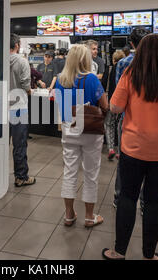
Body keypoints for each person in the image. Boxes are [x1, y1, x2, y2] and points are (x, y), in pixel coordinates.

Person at [102, 33, 158, 260]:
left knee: (127, 198)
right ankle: (149, 256)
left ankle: (118, 251)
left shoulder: (130, 75)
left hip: (134, 148)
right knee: (154, 201)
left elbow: (114, 107)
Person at [54, 44, 108, 228]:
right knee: (91, 174)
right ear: (86, 60)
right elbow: (104, 104)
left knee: (69, 172)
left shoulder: (61, 79)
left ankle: (69, 215)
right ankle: (89, 216)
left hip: (69, 128)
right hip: (90, 131)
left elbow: (59, 104)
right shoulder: (92, 79)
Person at [113, 27, 151, 209]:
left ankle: (119, 198)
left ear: (131, 43)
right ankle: (145, 202)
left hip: (128, 118)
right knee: (150, 164)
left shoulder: (124, 62)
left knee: (125, 161)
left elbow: (118, 97)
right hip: (152, 120)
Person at [9, 33, 36, 187]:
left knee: (1, 143)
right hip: (18, 108)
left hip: (2, 106)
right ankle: (21, 177)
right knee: (19, 144)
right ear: (17, 45)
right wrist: (30, 91)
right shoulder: (22, 61)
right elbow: (26, 85)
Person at [105, 50, 125, 160]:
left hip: (112, 102)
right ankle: (120, 151)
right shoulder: (127, 70)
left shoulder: (110, 69)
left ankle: (111, 148)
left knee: (109, 124)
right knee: (121, 125)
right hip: (124, 103)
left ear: (113, 60)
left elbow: (104, 85)